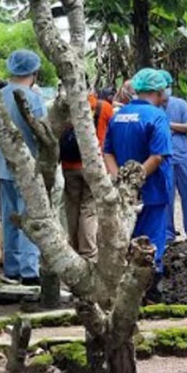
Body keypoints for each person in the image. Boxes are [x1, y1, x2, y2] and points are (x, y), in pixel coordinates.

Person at [102, 68, 173, 293]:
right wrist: (137, 179)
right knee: (151, 240)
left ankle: (126, 287)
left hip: (125, 193)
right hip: (152, 190)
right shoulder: (157, 116)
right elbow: (158, 155)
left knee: (129, 238)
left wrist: (120, 180)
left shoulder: (118, 116)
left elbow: (107, 152)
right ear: (158, 91)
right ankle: (150, 290)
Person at [0, 49, 47, 284]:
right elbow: (44, 133)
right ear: (34, 72)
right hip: (29, 167)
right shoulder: (33, 99)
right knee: (30, 218)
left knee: (9, 217)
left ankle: (12, 268)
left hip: (4, 167)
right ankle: (29, 270)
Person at [60, 87, 114, 262]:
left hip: (68, 164)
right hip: (93, 165)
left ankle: (73, 248)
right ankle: (88, 252)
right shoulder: (103, 107)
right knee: (89, 209)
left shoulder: (64, 107)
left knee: (72, 207)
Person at [161, 71, 187, 242]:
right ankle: (168, 234)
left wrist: (170, 125)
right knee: (166, 197)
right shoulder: (151, 107)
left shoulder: (180, 104)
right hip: (163, 158)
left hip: (183, 155)